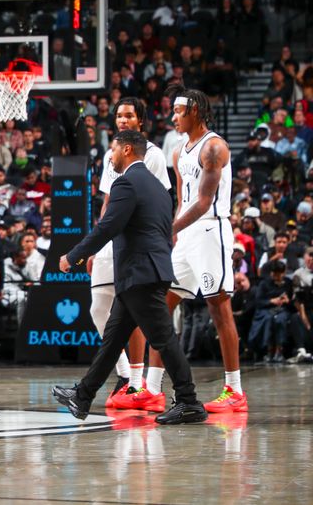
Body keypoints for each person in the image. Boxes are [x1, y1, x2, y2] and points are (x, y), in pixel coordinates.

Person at [54, 130, 207, 425]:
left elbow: (107, 227)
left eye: (112, 150)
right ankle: (83, 396)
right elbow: (165, 231)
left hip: (140, 273)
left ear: (126, 150)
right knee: (113, 341)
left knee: (163, 338)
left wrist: (73, 256)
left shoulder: (126, 183)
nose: (110, 156)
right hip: (149, 271)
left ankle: (189, 401)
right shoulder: (160, 190)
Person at [146, 85, 248, 414]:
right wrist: (174, 232)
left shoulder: (214, 147)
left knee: (219, 309)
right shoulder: (179, 151)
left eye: (178, 112)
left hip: (210, 230)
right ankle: (150, 388)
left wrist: (168, 230)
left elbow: (204, 203)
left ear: (195, 112)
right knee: (162, 307)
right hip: (186, 236)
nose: (173, 117)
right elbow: (182, 199)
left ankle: (234, 390)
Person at [89, 97, 172, 411]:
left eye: (128, 115)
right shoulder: (113, 154)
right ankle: (125, 376)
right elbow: (108, 201)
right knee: (99, 308)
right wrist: (96, 245)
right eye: (119, 115)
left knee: (135, 309)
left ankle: (139, 383)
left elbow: (159, 201)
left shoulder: (151, 154)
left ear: (141, 120)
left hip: (136, 240)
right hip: (112, 237)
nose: (122, 120)